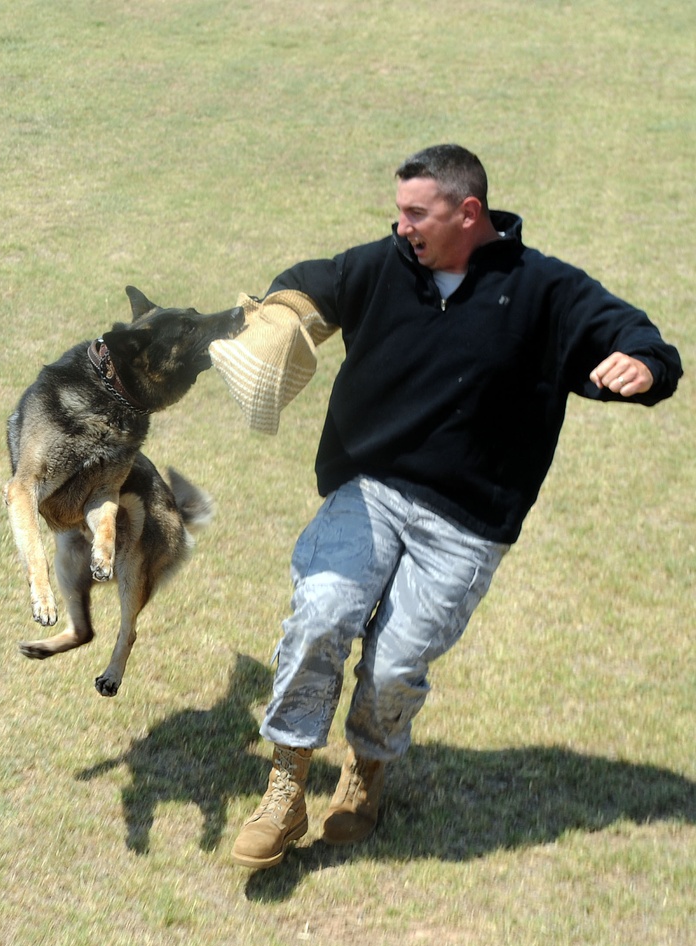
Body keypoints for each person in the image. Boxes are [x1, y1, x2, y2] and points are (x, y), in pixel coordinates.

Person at [224, 144, 684, 870]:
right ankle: (285, 783)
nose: (400, 225)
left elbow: (641, 341)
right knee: (320, 612)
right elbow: (308, 285)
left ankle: (365, 772)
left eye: (416, 212)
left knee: (394, 666)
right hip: (370, 487)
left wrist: (645, 365)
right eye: (399, 210)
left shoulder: (546, 291)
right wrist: (282, 315)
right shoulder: (381, 266)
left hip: (466, 521)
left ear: (468, 212)